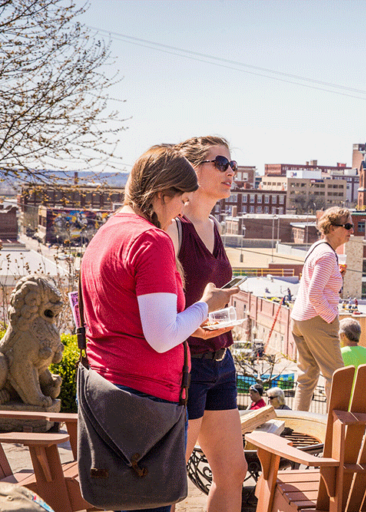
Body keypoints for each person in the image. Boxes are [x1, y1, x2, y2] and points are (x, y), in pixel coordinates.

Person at [80, 145, 237, 512]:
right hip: (147, 401)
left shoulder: (108, 232)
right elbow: (162, 334)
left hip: (109, 391)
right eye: (182, 199)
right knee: (151, 502)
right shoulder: (150, 241)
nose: (183, 209)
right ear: (160, 194)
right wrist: (206, 306)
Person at [169, 136, 247, 512]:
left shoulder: (214, 225)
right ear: (192, 168)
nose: (231, 171)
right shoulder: (175, 228)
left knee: (233, 472)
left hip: (222, 362)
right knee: (168, 480)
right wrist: (194, 322)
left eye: (233, 164)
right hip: (187, 365)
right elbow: (159, 301)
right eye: (221, 164)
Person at [290, 207, 352, 411]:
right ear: (333, 228)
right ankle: (334, 429)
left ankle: (298, 424)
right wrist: (331, 317)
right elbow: (315, 293)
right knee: (337, 377)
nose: (352, 231)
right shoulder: (326, 255)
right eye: (348, 226)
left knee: (307, 377)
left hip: (300, 319)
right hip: (317, 321)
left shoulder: (318, 248)